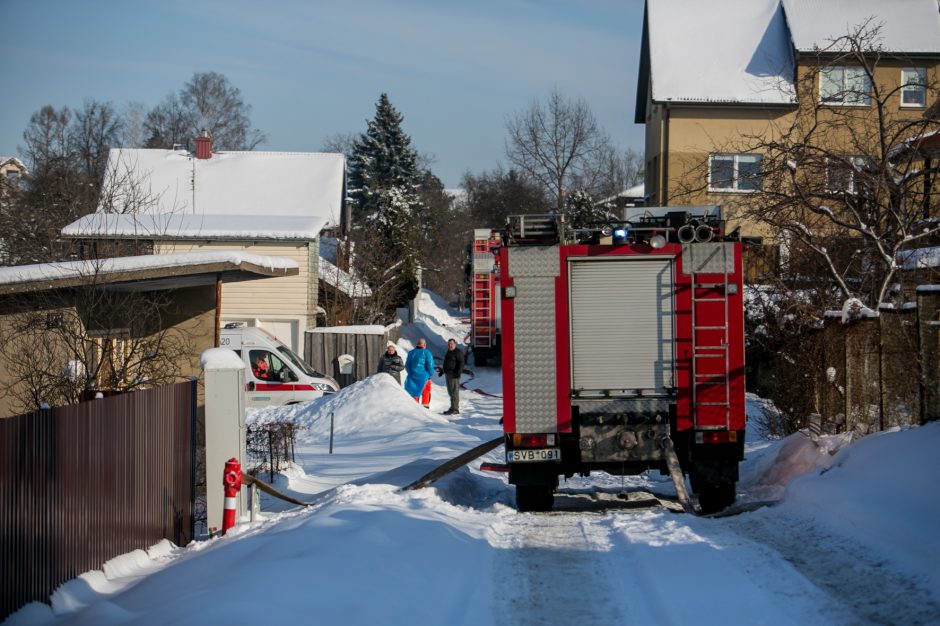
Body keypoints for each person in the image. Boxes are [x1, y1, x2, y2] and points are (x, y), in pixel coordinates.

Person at [404, 338, 435, 408]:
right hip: (424, 377)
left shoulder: (411, 353)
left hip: (412, 377)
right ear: (424, 345)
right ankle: (425, 407)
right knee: (426, 392)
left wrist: (411, 373)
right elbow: (430, 366)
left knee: (414, 392)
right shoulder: (427, 353)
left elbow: (407, 365)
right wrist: (430, 374)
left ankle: (415, 409)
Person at [440, 338, 465, 415]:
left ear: (455, 344)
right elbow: (447, 362)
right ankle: (452, 407)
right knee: (450, 392)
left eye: (451, 344)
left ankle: (455, 409)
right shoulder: (449, 352)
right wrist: (442, 371)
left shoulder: (458, 352)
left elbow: (461, 363)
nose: (450, 345)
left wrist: (458, 373)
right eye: (449, 344)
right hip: (448, 374)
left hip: (454, 375)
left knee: (454, 392)